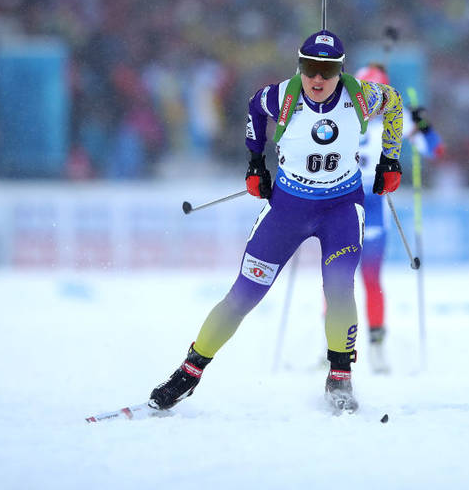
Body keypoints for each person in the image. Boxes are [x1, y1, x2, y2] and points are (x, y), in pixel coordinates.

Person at [149, 30, 404, 413]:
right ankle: (188, 373)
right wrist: (255, 163)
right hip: (288, 209)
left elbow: (395, 103)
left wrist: (391, 159)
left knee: (339, 288)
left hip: (340, 210)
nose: (317, 78)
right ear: (299, 66)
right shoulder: (282, 96)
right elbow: (254, 108)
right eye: (309, 68)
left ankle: (339, 377)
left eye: (327, 70)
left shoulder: (361, 96)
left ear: (340, 70)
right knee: (244, 295)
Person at [353, 63, 443, 373]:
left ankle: (376, 346)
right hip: (342, 200)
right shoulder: (341, 113)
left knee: (369, 278)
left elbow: (434, 150)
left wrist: (423, 124)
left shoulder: (395, 115)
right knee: (336, 277)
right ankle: (332, 349)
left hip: (374, 202)